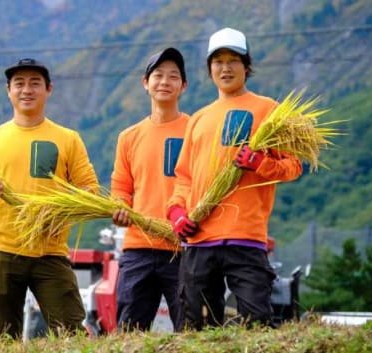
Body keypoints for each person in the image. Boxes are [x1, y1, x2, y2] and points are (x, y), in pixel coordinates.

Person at [166, 28, 302, 330]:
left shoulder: (268, 110)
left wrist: (260, 163)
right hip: (200, 237)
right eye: (218, 62)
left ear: (246, 66)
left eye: (233, 60)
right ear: (209, 69)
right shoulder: (199, 118)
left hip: (247, 236)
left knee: (257, 321)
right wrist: (176, 212)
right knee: (194, 326)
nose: (225, 68)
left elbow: (293, 165)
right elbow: (183, 177)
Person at [0, 58, 99, 338]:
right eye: (19, 83)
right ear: (8, 90)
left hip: (50, 250)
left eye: (35, 83)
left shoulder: (67, 138)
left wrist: (56, 209)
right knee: (3, 336)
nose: (27, 90)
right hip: (2, 249)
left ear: (49, 89)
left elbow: (90, 190)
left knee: (70, 333)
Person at [110, 48, 189, 332]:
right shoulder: (129, 137)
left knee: (190, 330)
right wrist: (120, 208)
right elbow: (121, 187)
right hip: (138, 248)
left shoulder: (196, 130)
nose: (165, 82)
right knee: (129, 332)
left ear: (184, 85)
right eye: (158, 75)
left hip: (183, 248)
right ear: (146, 83)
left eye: (173, 76)